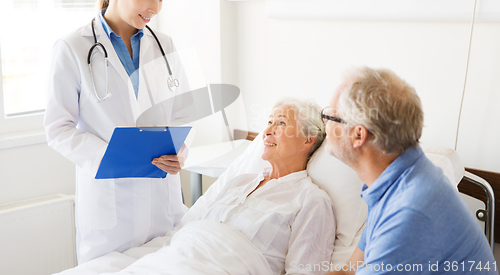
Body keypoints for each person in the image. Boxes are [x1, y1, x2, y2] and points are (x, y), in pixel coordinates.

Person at [58, 99, 336, 275]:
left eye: (281, 123)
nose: (268, 130)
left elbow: (305, 272)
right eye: (269, 122)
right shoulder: (241, 181)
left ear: (308, 140)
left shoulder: (311, 200)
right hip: (176, 256)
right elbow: (194, 226)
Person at [44, 0, 193, 264]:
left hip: (163, 207)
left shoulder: (164, 45)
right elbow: (58, 128)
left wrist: (181, 150)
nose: (155, 8)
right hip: (110, 212)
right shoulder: (72, 48)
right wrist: (110, 156)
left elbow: (182, 111)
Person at [323, 67, 497, 275]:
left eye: (330, 116)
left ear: (358, 135)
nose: (324, 122)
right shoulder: (394, 182)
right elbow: (349, 271)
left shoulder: (410, 212)